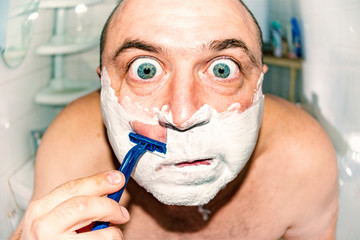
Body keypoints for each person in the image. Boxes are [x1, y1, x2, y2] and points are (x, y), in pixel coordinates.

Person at [11, 0, 338, 239]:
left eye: (222, 70)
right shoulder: (71, 149)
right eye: (145, 70)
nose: (182, 116)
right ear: (104, 84)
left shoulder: (302, 161)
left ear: (259, 84)